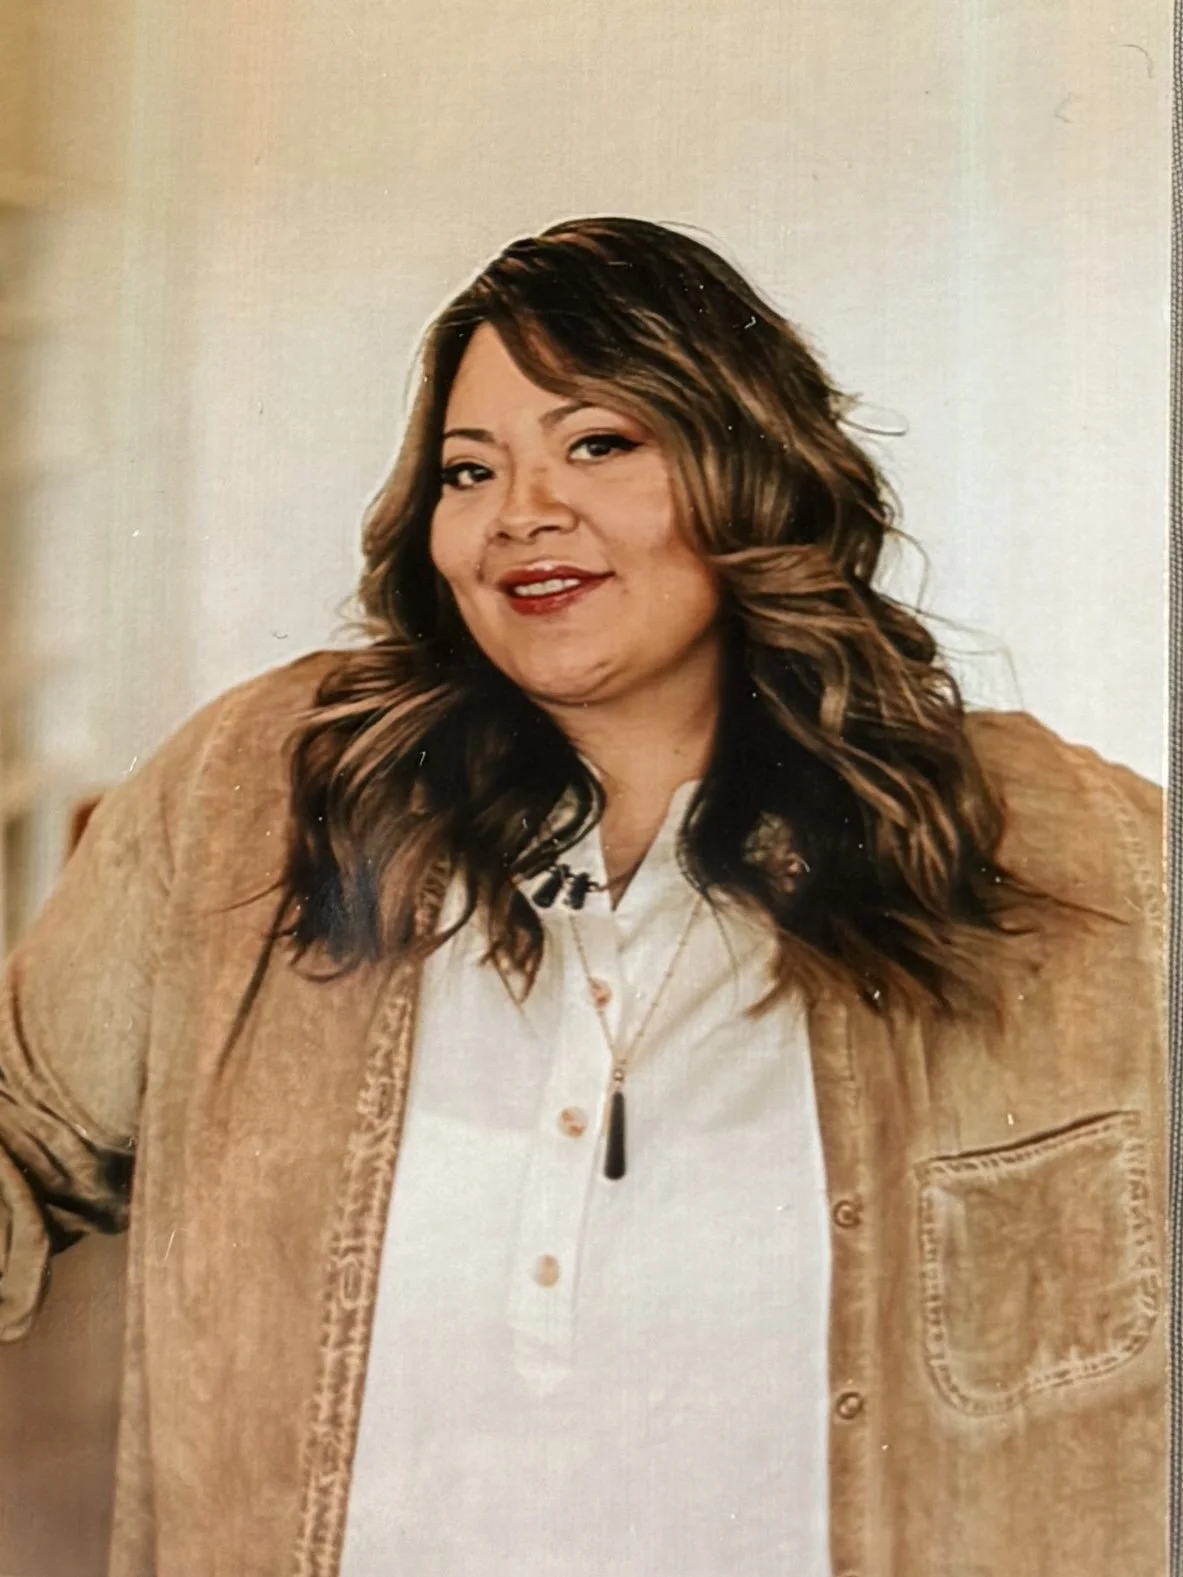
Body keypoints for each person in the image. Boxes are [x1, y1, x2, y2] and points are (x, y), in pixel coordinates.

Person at [0, 216, 1165, 1577]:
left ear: (746, 469)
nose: (520, 514)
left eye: (597, 444)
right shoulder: (256, 797)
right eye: (467, 469)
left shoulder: (1058, 842)